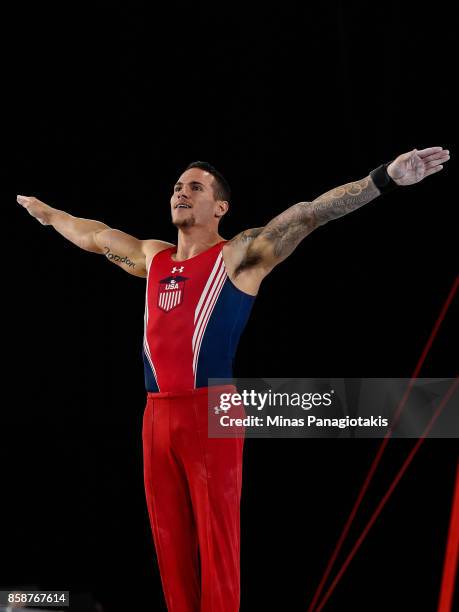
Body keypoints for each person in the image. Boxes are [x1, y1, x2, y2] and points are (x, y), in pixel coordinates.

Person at [16, 147, 449, 611]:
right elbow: (93, 235)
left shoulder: (240, 255)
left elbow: (308, 215)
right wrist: (47, 214)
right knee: (169, 543)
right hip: (155, 416)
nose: (181, 192)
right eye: (177, 187)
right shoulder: (151, 258)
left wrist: (382, 178)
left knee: (216, 544)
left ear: (220, 206)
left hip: (210, 413)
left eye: (195, 187)